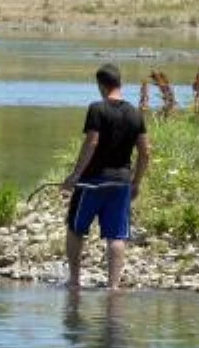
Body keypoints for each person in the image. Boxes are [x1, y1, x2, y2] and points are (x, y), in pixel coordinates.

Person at [62, 63, 150, 290]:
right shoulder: (135, 113)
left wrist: (75, 175)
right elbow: (145, 152)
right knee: (116, 236)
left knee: (75, 229)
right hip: (121, 183)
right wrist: (136, 182)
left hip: (91, 182)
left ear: (101, 85)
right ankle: (113, 287)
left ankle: (74, 281)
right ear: (120, 83)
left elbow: (92, 142)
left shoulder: (97, 108)